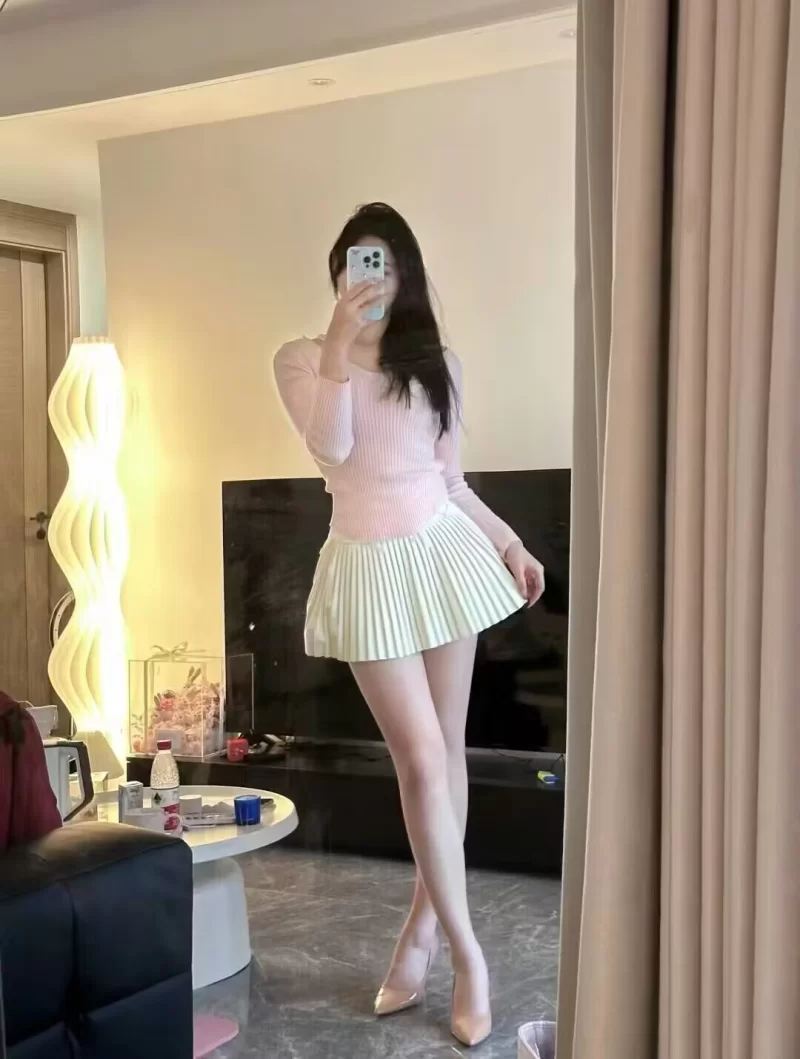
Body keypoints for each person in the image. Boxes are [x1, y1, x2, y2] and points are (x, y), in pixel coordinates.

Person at [274, 202, 545, 1048]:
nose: (371, 278)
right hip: (367, 567)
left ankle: (423, 931)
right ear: (338, 272)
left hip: (443, 553)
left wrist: (509, 541)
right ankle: (469, 954)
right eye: (358, 262)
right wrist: (336, 343)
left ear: (407, 275)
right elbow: (333, 450)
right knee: (421, 758)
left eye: (385, 263)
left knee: (445, 755)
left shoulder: (437, 365)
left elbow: (451, 481)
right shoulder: (299, 358)